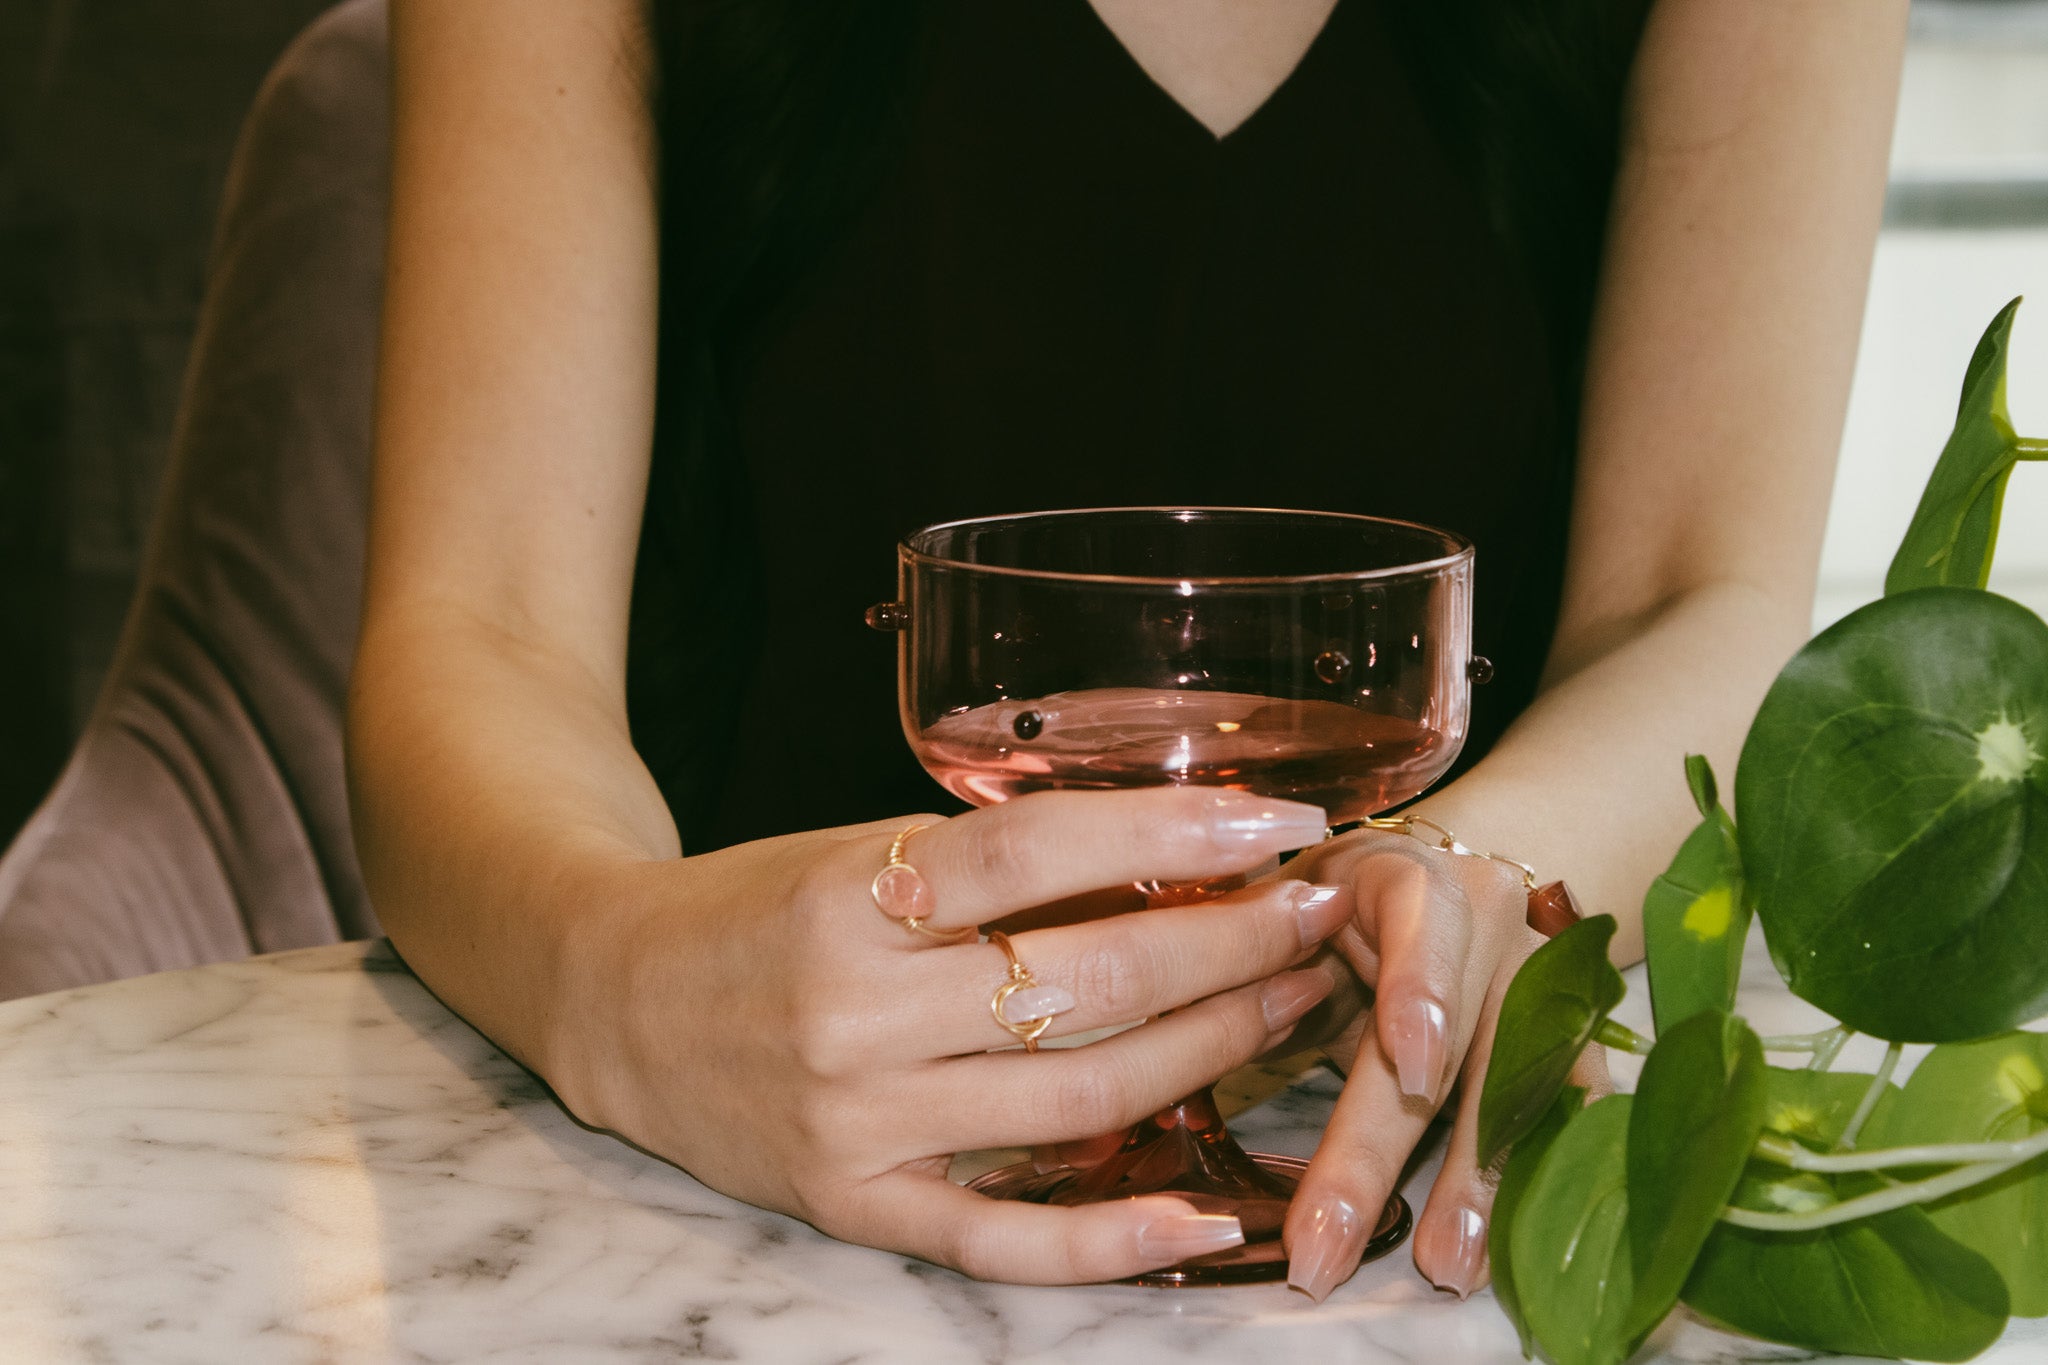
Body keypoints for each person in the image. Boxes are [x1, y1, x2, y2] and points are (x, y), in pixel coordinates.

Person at [349, 0, 1908, 1302]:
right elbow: (480, 623)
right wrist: (624, 986)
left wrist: (1461, 882)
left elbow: (1702, 598)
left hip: (1378, 1213)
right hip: (737, 1172)